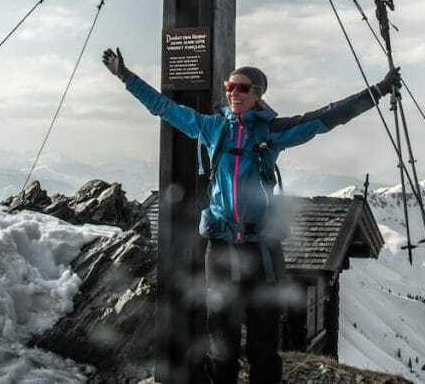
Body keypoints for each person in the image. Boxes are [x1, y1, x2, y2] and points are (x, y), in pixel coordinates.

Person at [102, 47, 400, 384]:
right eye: (230, 87)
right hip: (219, 247)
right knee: (220, 337)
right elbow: (163, 107)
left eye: (242, 88)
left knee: (263, 336)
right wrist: (126, 77)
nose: (233, 93)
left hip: (261, 248)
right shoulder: (212, 128)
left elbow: (328, 118)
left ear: (258, 94)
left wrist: (377, 91)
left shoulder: (272, 131)